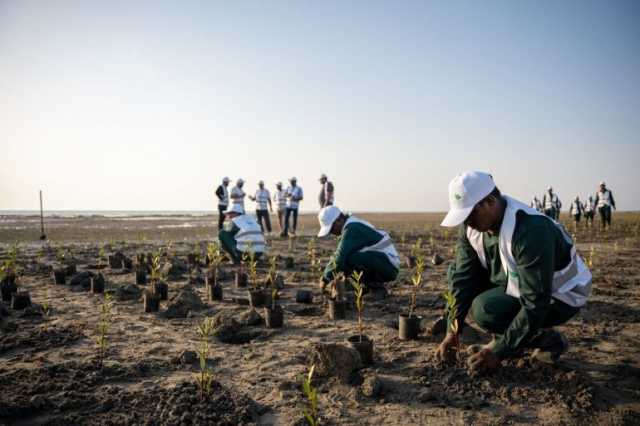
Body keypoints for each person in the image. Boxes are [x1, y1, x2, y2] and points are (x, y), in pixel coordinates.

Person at [436, 171, 592, 374]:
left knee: (485, 308)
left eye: (470, 214)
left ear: (490, 201)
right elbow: (462, 279)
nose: (467, 222)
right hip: (520, 284)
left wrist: (498, 353)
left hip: (561, 295)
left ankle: (546, 341)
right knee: (456, 274)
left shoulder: (530, 230)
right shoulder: (472, 227)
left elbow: (536, 300)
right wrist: (452, 331)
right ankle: (513, 339)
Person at [317, 206, 400, 299]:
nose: (332, 233)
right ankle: (366, 286)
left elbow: (339, 258)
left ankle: (376, 288)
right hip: (383, 262)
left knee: (348, 259)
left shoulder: (352, 228)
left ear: (339, 220)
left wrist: (325, 278)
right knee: (348, 259)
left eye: (331, 229)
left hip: (389, 265)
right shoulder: (351, 224)